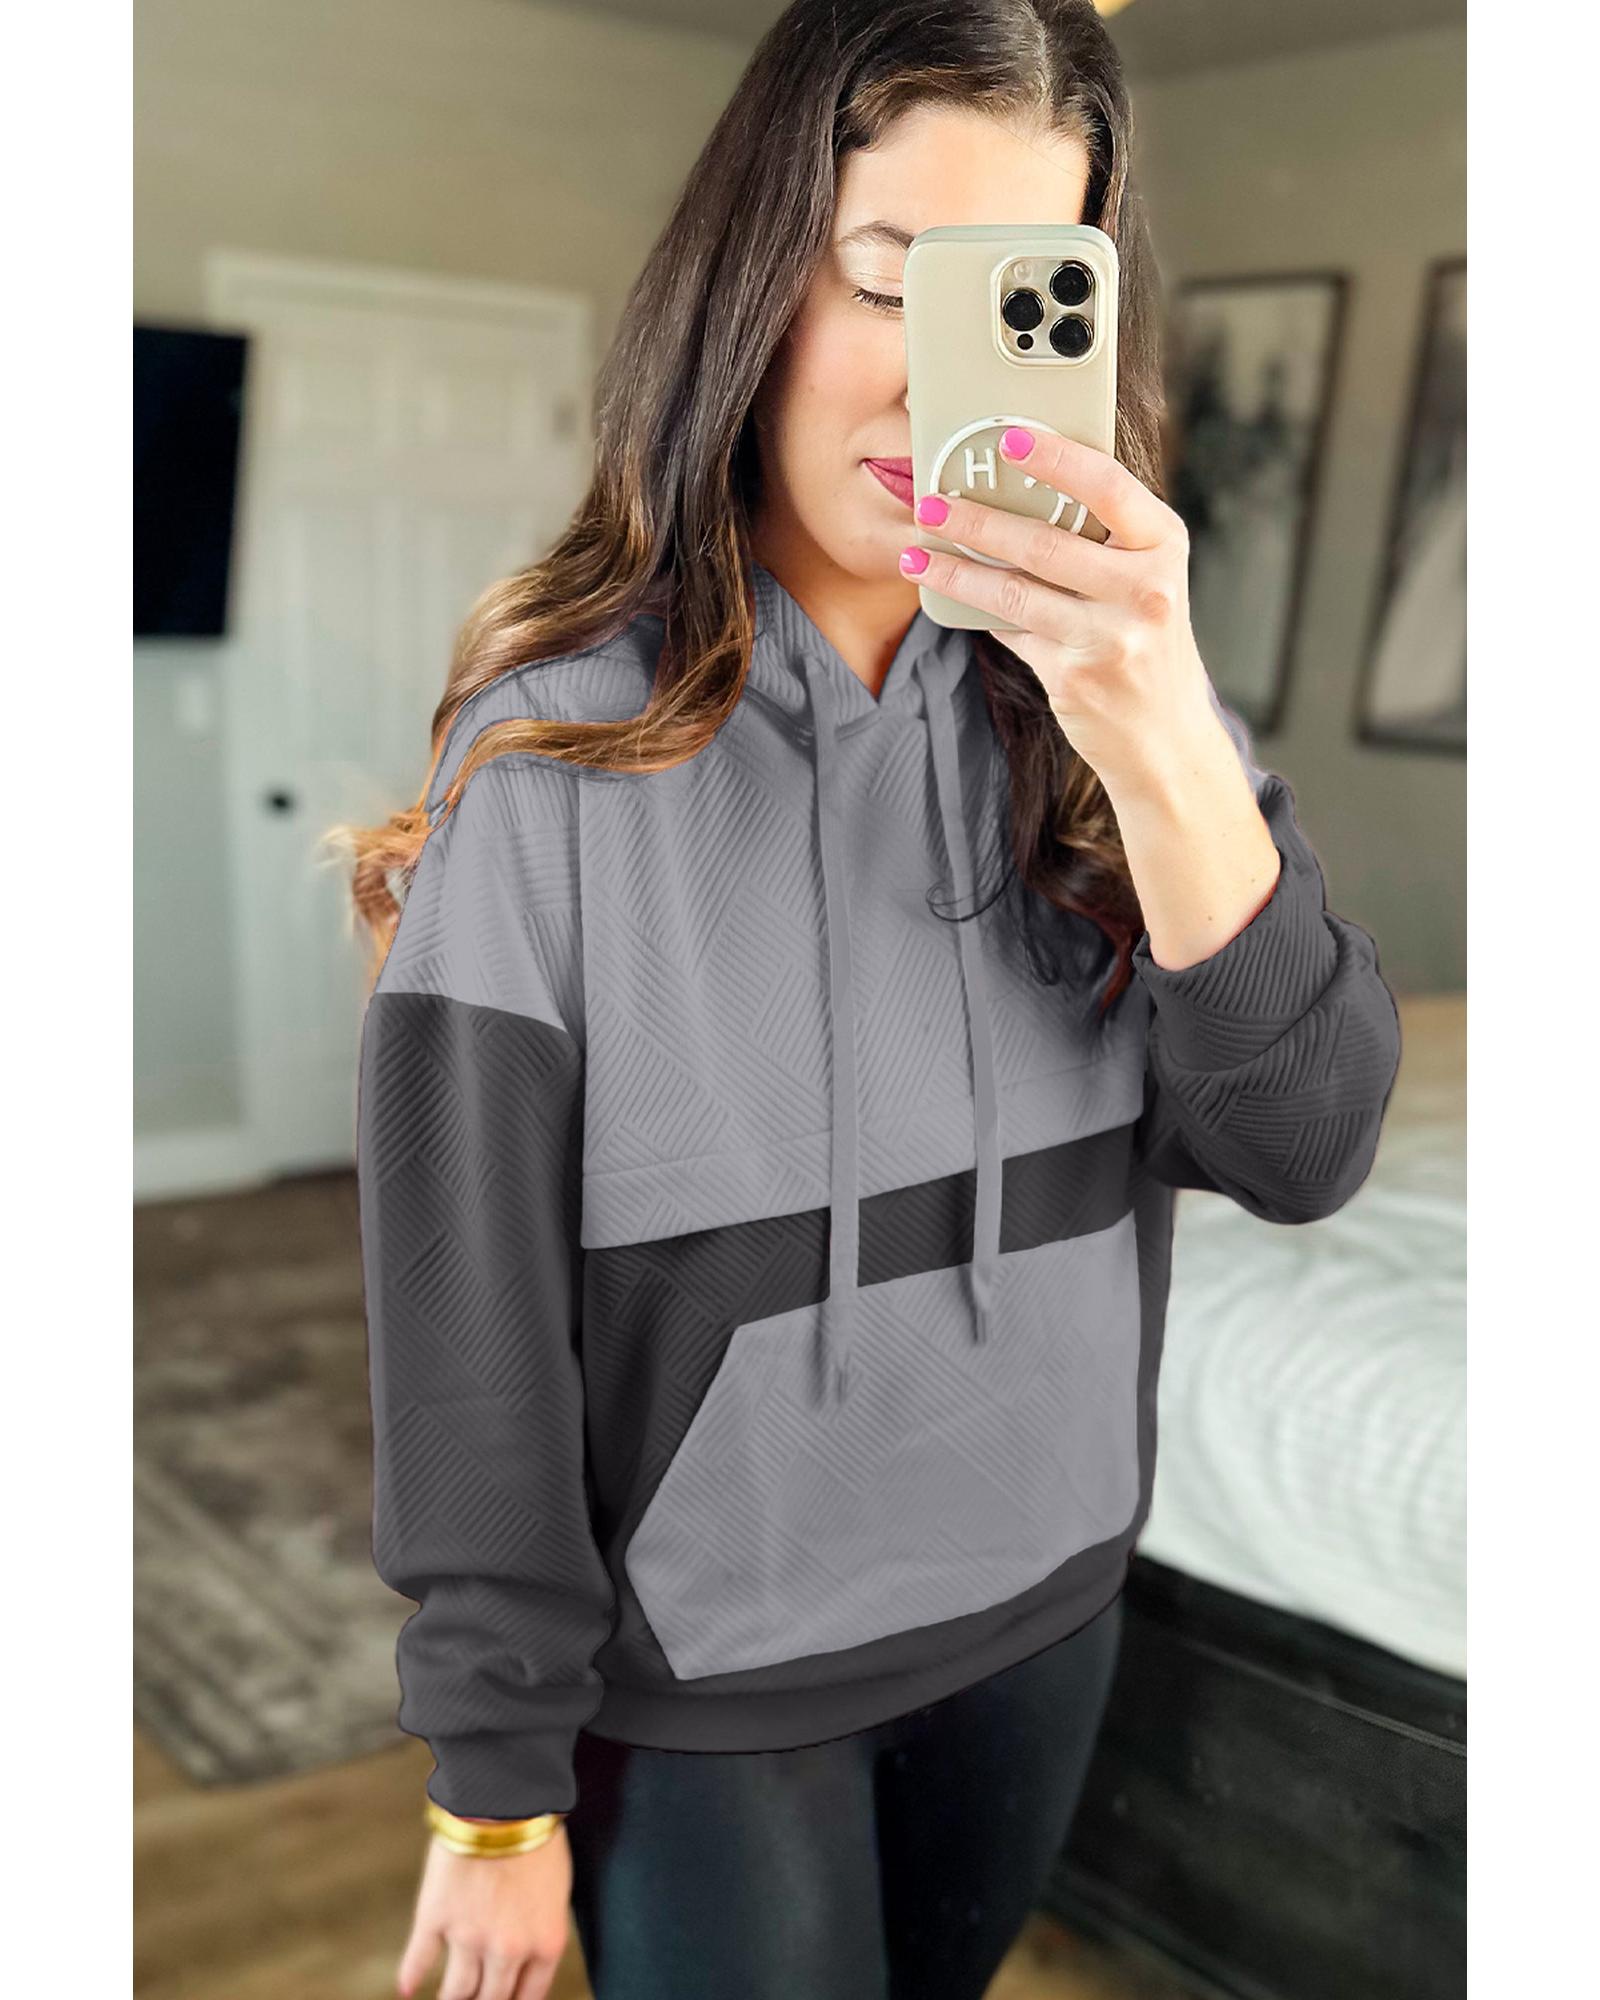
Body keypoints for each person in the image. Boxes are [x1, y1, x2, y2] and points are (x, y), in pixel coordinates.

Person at [341, 4, 1403, 1997]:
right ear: (749, 286)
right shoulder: (552, 757)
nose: (937, 380)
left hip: (1043, 1605)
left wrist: (1163, 733)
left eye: (1014, 303)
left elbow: (1306, 1144)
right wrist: (491, 1790)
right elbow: (466, 1330)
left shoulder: (1121, 727)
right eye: (886, 279)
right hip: (705, 1676)